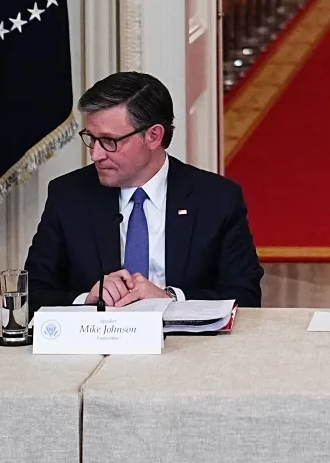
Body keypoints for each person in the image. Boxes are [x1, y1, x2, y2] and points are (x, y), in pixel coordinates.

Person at [24, 71, 263, 309]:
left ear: (153, 136)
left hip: (188, 343)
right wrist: (87, 299)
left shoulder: (217, 199)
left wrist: (171, 298)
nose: (96, 154)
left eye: (109, 141)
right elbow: (33, 291)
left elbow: (245, 295)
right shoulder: (68, 196)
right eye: (91, 139)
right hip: (97, 341)